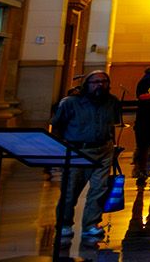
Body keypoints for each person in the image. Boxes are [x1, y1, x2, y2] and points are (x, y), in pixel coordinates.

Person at [49, 70, 122, 242]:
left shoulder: (112, 102)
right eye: (95, 82)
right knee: (70, 190)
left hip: (104, 149)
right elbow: (57, 126)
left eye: (103, 81)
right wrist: (59, 151)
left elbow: (111, 124)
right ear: (86, 85)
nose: (99, 85)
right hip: (77, 150)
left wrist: (114, 145)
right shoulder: (70, 103)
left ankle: (91, 224)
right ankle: (64, 224)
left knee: (99, 188)